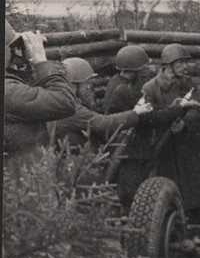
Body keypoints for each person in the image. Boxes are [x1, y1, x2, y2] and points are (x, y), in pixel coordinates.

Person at [138, 43, 200, 232]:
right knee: (171, 193)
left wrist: (184, 124)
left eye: (185, 63)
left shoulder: (187, 83)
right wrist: (171, 116)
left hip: (189, 146)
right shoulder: (150, 88)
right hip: (166, 149)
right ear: (168, 64)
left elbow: (197, 109)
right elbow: (147, 116)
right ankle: (176, 231)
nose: (185, 67)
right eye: (181, 63)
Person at [4, 21, 77, 175]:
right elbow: (64, 102)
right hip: (22, 178)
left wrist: (21, 65)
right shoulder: (8, 92)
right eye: (11, 47)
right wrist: (40, 61)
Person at [50, 57, 152, 154]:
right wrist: (136, 112)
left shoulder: (60, 102)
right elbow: (103, 123)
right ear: (73, 86)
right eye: (86, 83)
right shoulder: (71, 109)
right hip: (73, 163)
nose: (89, 87)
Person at [104, 45, 153, 114]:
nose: (146, 70)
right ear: (133, 71)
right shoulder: (123, 89)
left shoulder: (116, 80)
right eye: (143, 69)